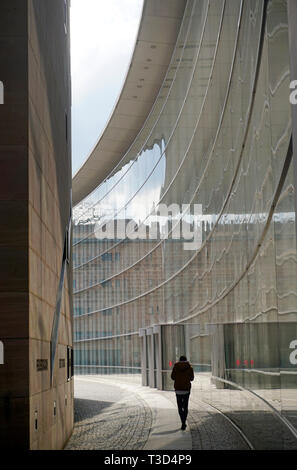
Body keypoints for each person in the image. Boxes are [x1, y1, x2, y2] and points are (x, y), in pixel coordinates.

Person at [171, 355, 194, 430]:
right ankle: (184, 421)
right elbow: (192, 378)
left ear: (179, 360)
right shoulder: (190, 368)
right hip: (186, 389)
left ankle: (182, 422)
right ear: (186, 360)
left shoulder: (175, 367)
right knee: (185, 406)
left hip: (178, 390)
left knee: (180, 406)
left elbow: (172, 377)